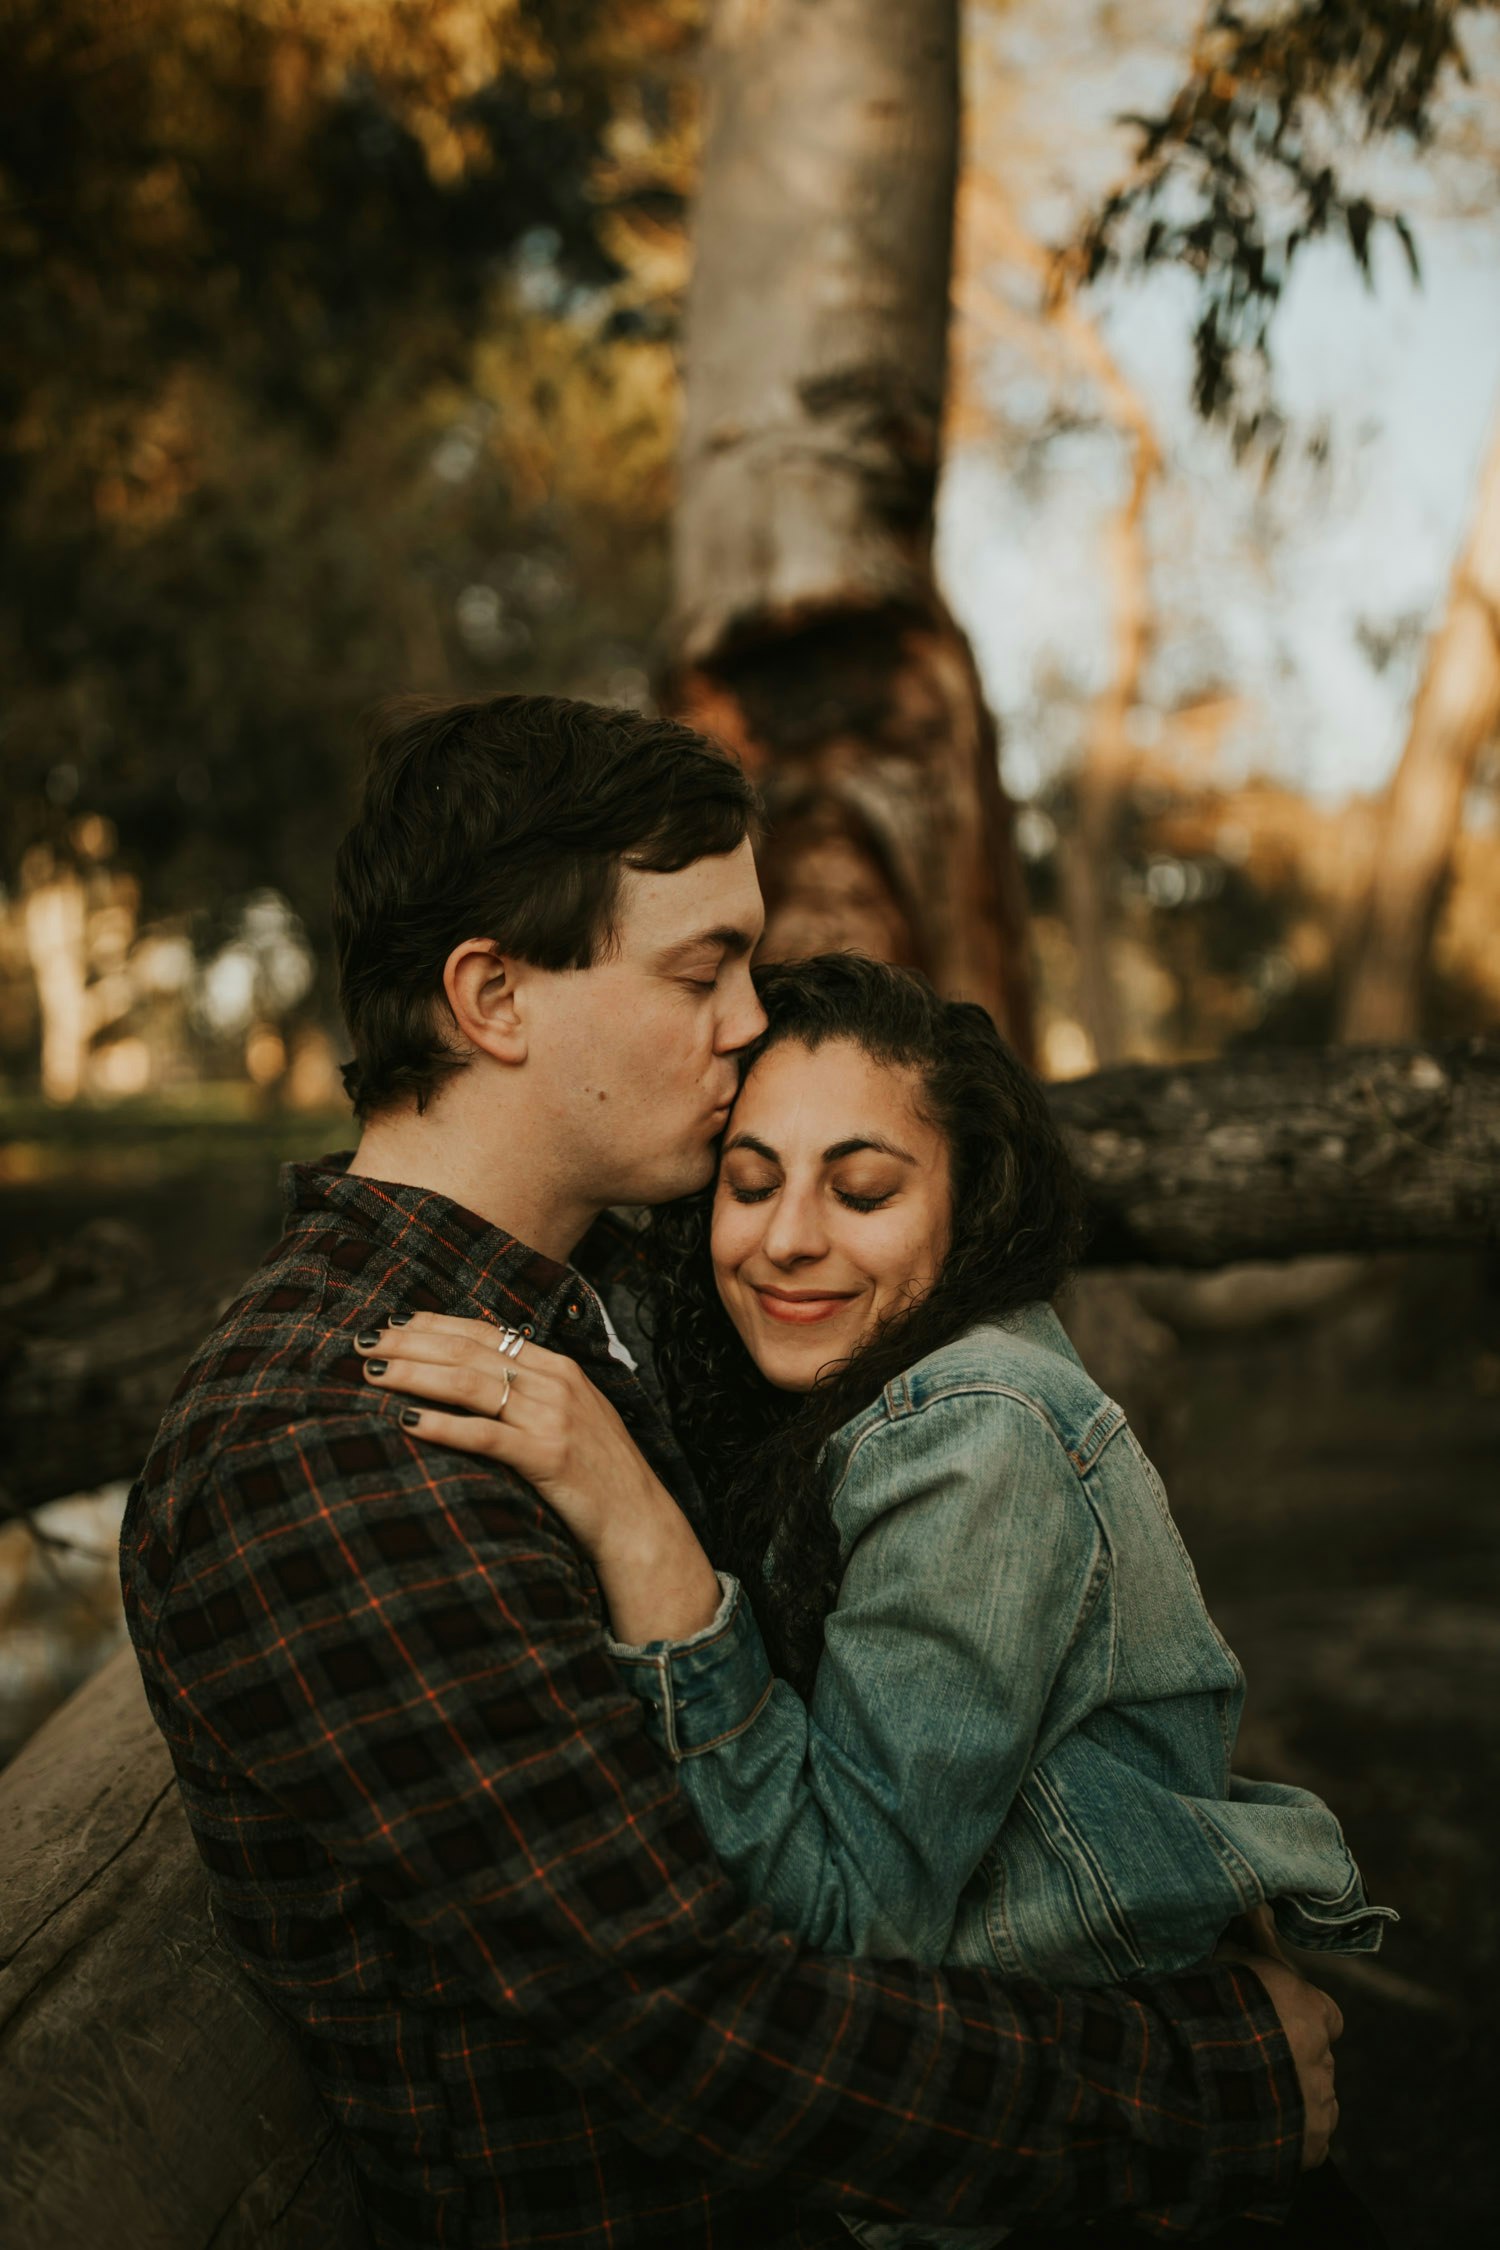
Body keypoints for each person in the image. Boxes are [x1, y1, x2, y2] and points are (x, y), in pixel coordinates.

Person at [121, 695, 1340, 2250]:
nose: (752, 1020)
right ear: (492, 996)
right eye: (702, 968)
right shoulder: (338, 1439)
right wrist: (1214, 2080)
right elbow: (696, 2027)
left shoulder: (593, 1316)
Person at [362, 948, 1394, 2247]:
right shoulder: (855, 1399)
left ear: (967, 1207)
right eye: (751, 1182)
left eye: (862, 1187)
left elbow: (849, 1919)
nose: (790, 1236)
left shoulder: (976, 1434)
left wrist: (632, 1519)